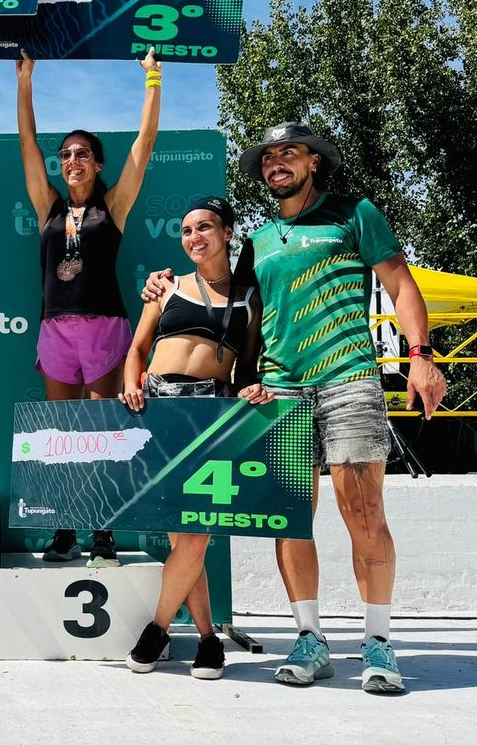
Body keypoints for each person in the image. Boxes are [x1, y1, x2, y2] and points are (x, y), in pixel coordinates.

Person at [142, 123, 447, 693]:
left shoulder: (354, 213)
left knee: (364, 515)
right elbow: (224, 298)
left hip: (349, 380)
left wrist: (421, 356)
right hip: (282, 391)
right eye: (268, 157)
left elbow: (402, 285)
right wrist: (162, 283)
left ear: (313, 162)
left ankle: (378, 644)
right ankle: (310, 640)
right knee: (291, 519)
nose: (276, 162)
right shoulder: (258, 240)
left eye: (289, 153)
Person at [15, 47, 161, 566]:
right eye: (67, 155)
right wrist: (26, 79)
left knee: (100, 434)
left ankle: (103, 534)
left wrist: (152, 79)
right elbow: (28, 145)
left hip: (104, 329)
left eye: (82, 154)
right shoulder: (47, 207)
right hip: (55, 330)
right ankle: (63, 530)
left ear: (98, 164)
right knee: (61, 436)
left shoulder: (112, 207)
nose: (71, 161)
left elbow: (143, 147)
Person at [118, 197, 265, 679]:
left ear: (226, 233)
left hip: (210, 413)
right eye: (185, 230)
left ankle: (158, 630)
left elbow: (246, 364)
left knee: (195, 534)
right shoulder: (166, 287)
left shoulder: (249, 296)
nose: (194, 237)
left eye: (204, 227)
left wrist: (252, 389)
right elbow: (137, 350)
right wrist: (131, 384)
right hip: (158, 410)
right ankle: (207, 642)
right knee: (183, 537)